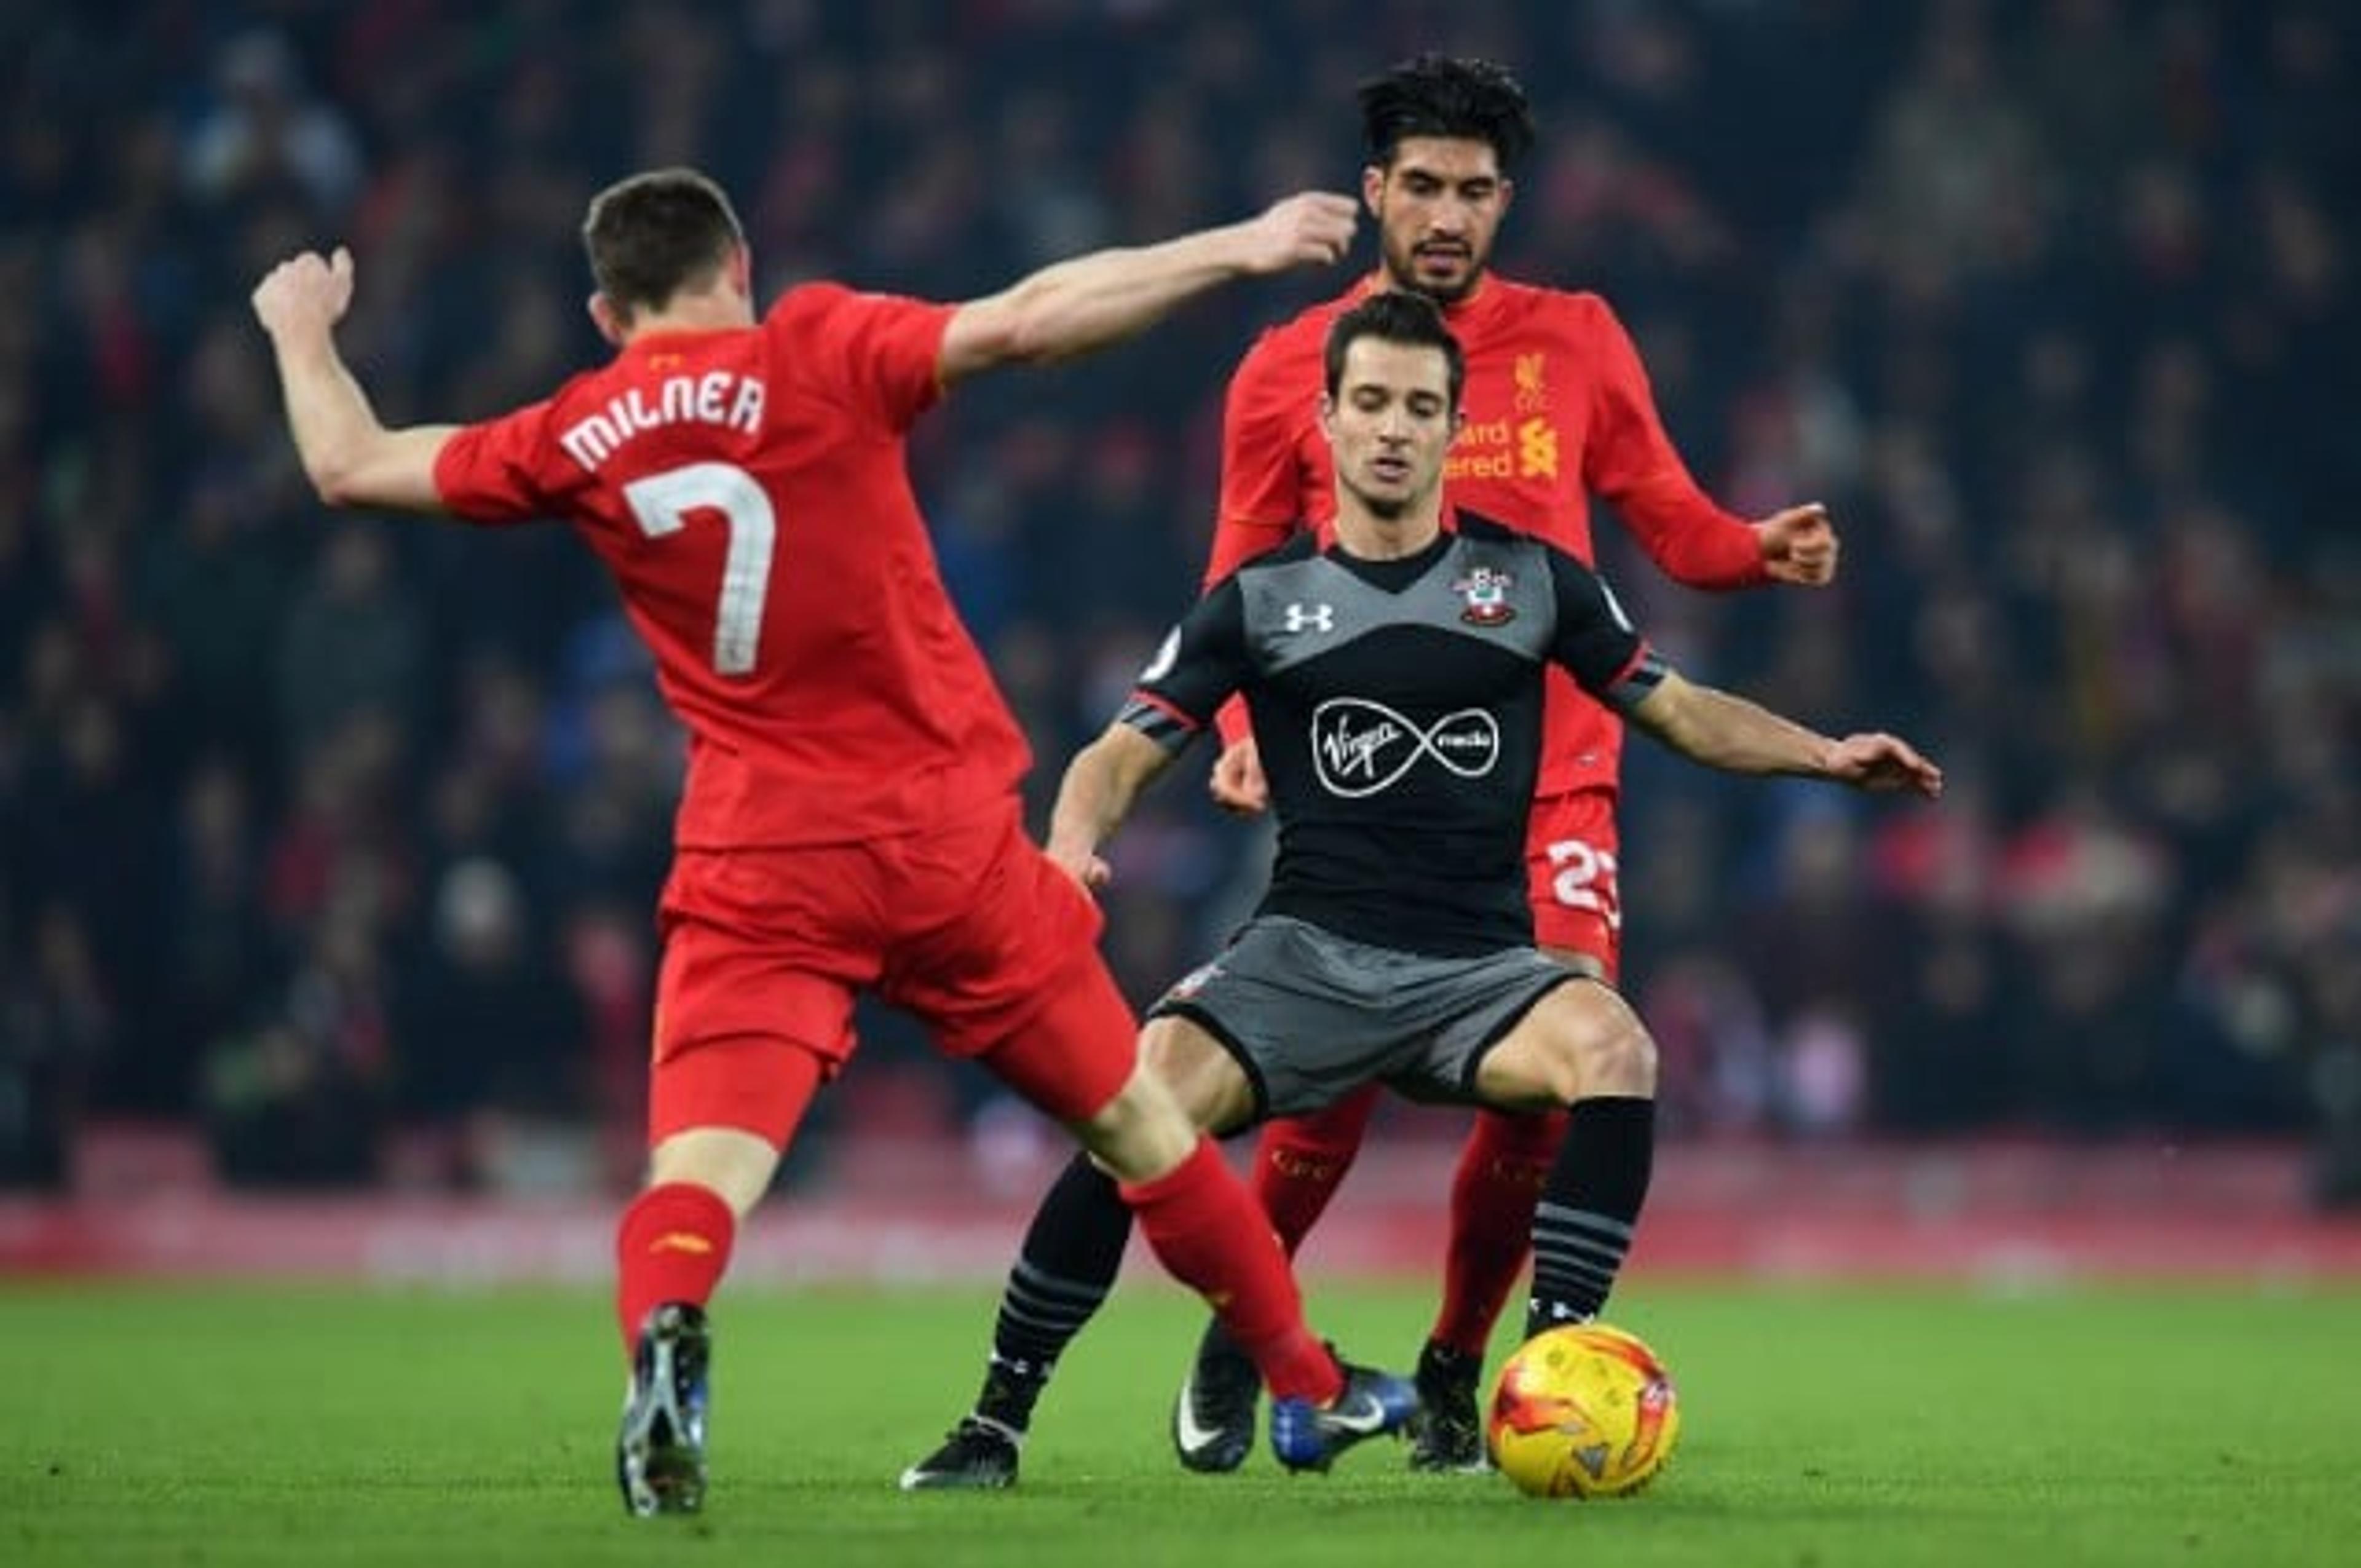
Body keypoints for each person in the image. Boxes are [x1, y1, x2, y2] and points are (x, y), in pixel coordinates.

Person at [249, 166, 1423, 1519]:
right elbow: (1034, 319)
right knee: (1143, 1126)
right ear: (737, 269)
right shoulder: (813, 347)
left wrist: (300, 328)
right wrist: (1238, 243)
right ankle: (1303, 1381)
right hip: (940, 841)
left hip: (761, 863)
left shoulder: (581, 428)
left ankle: (672, 1334)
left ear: (604, 310)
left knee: (702, 1172)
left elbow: (351, 464)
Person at [901, 293, 1936, 1489]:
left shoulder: (1535, 582)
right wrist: (1071, 844)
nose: (1396, 428)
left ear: (1455, 429)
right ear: (1329, 421)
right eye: (1374, 404)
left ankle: (1553, 1371)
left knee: (1615, 1049)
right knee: (1128, 1106)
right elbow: (1118, 752)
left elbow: (1681, 709)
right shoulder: (1262, 601)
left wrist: (1824, 754)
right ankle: (995, 1423)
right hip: (1304, 956)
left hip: (1481, 970)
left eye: (1423, 408)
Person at [1186, 53, 1846, 1473]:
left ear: (1506, 201)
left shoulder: (1578, 339)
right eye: (1419, 185)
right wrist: (1238, 737)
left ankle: (1462, 1365)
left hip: (1555, 780)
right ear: (1374, 192)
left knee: (1556, 1081)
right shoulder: (1286, 368)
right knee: (1326, 1080)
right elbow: (1236, 572)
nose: (1444, 214)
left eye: (1474, 192)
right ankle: (1250, 1331)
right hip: (1354, 773)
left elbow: (1665, 515)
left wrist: (1752, 552)